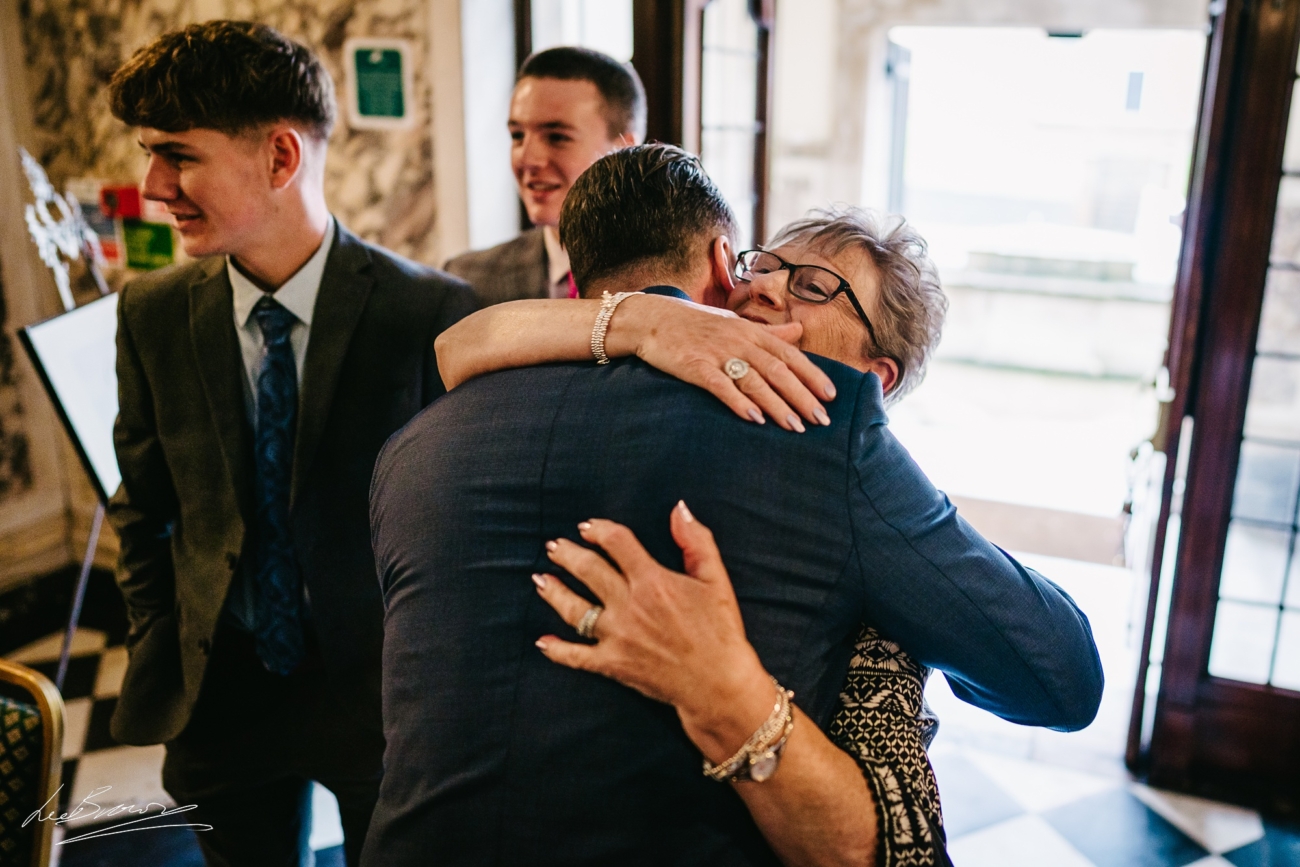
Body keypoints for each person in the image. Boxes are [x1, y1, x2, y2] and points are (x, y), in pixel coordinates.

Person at [364, 144, 1102, 864]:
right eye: (762, 265)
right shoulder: (822, 450)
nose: (765, 289)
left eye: (813, 286)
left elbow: (1057, 667)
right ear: (723, 268)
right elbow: (1059, 675)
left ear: (877, 376)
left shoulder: (418, 441)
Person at [104, 21, 475, 867]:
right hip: (221, 689)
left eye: (178, 155)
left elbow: (459, 531)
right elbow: (143, 504)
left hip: (380, 692)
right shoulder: (149, 313)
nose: (154, 185)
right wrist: (162, 636)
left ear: (279, 157)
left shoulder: (431, 314)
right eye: (149, 154)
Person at [443, 46, 645, 306]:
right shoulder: (469, 279)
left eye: (557, 137)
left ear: (623, 150)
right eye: (517, 135)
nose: (527, 160)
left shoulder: (675, 280)